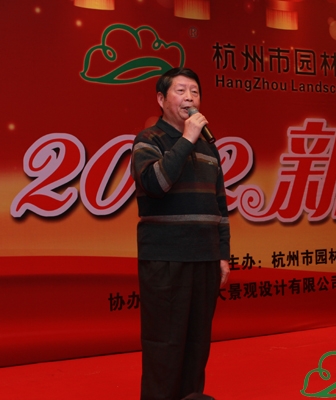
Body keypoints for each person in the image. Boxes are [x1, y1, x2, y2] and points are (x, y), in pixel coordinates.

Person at [131, 67, 230, 400]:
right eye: (181, 91)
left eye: (195, 92)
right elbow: (155, 184)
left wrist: (222, 254)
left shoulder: (209, 148)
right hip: (166, 259)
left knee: (197, 346)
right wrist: (187, 139)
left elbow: (220, 206)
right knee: (165, 347)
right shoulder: (149, 140)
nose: (190, 98)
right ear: (161, 99)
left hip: (204, 256)